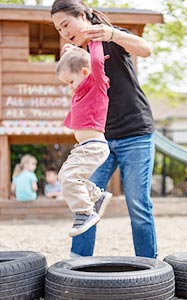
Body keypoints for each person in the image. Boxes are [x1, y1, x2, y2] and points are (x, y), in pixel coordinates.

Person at [51, 0, 157, 258]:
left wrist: (112, 34)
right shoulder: (76, 55)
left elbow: (145, 50)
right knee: (84, 201)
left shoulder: (110, 35)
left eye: (66, 24)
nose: (64, 31)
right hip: (98, 141)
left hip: (135, 132)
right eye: (59, 29)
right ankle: (77, 264)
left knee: (137, 203)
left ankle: (148, 267)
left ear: (83, 16)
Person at [56, 38, 112, 237]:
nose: (70, 87)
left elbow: (96, 63)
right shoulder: (80, 92)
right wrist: (75, 52)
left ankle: (85, 212)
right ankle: (96, 197)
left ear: (85, 73)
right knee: (65, 176)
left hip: (94, 146)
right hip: (84, 146)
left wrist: (93, 41)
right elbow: (81, 64)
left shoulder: (96, 85)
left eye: (70, 81)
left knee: (71, 176)